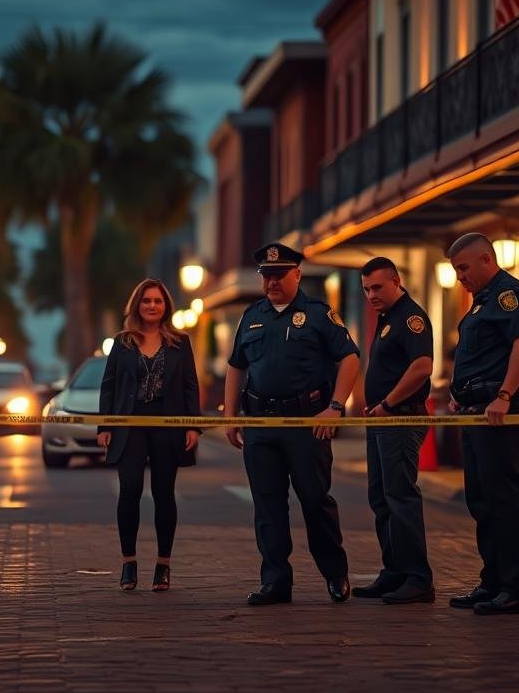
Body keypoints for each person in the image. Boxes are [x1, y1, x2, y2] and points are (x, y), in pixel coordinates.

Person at [223, 243, 360, 606]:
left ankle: (335, 572)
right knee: (267, 506)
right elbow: (236, 365)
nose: (271, 282)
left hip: (306, 424)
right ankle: (276, 582)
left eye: (279, 274)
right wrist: (230, 415)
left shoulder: (318, 314)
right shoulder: (252, 316)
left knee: (315, 501)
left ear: (297, 274)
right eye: (266, 275)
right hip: (260, 423)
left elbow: (349, 359)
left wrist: (335, 407)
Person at [445, 232, 519, 616]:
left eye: (464, 268)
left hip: (498, 413)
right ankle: (494, 582)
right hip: (476, 411)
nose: (459, 277)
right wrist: (461, 394)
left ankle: (517, 589)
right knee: (481, 501)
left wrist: (503, 396)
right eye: (455, 270)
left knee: (504, 501)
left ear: (487, 259)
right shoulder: (481, 301)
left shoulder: (507, 295)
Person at [97, 278, 201, 592]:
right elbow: (109, 385)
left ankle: (163, 565)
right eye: (146, 301)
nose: (152, 306)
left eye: (157, 301)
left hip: (167, 426)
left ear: (165, 305)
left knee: (163, 493)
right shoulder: (123, 342)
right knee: (128, 490)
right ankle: (129, 563)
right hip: (129, 424)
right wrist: (105, 426)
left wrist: (192, 425)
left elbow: (190, 386)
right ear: (137, 306)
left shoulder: (180, 341)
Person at [353, 257, 434, 604]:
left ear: (396, 281)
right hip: (382, 420)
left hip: (399, 419)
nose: (371, 294)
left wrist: (387, 403)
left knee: (400, 498)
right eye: (366, 289)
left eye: (377, 287)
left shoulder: (410, 317)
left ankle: (417, 578)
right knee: (381, 498)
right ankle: (395, 571)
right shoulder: (387, 317)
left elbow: (422, 367)